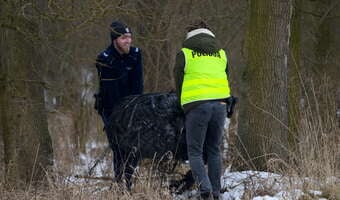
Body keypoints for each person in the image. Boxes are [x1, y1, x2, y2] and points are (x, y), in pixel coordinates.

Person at [174, 21, 231, 200]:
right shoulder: (221, 53)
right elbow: (225, 76)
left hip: (197, 105)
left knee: (195, 151)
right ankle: (216, 192)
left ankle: (204, 189)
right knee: (214, 149)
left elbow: (179, 80)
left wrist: (183, 103)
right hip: (220, 104)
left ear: (190, 34)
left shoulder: (185, 53)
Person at [94, 20, 143, 187]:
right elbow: (111, 90)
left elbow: (137, 85)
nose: (128, 41)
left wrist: (134, 109)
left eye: (129, 37)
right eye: (124, 38)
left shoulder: (136, 54)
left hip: (132, 106)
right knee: (118, 146)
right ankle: (120, 182)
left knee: (133, 146)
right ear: (115, 40)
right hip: (111, 108)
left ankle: (129, 181)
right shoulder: (104, 59)